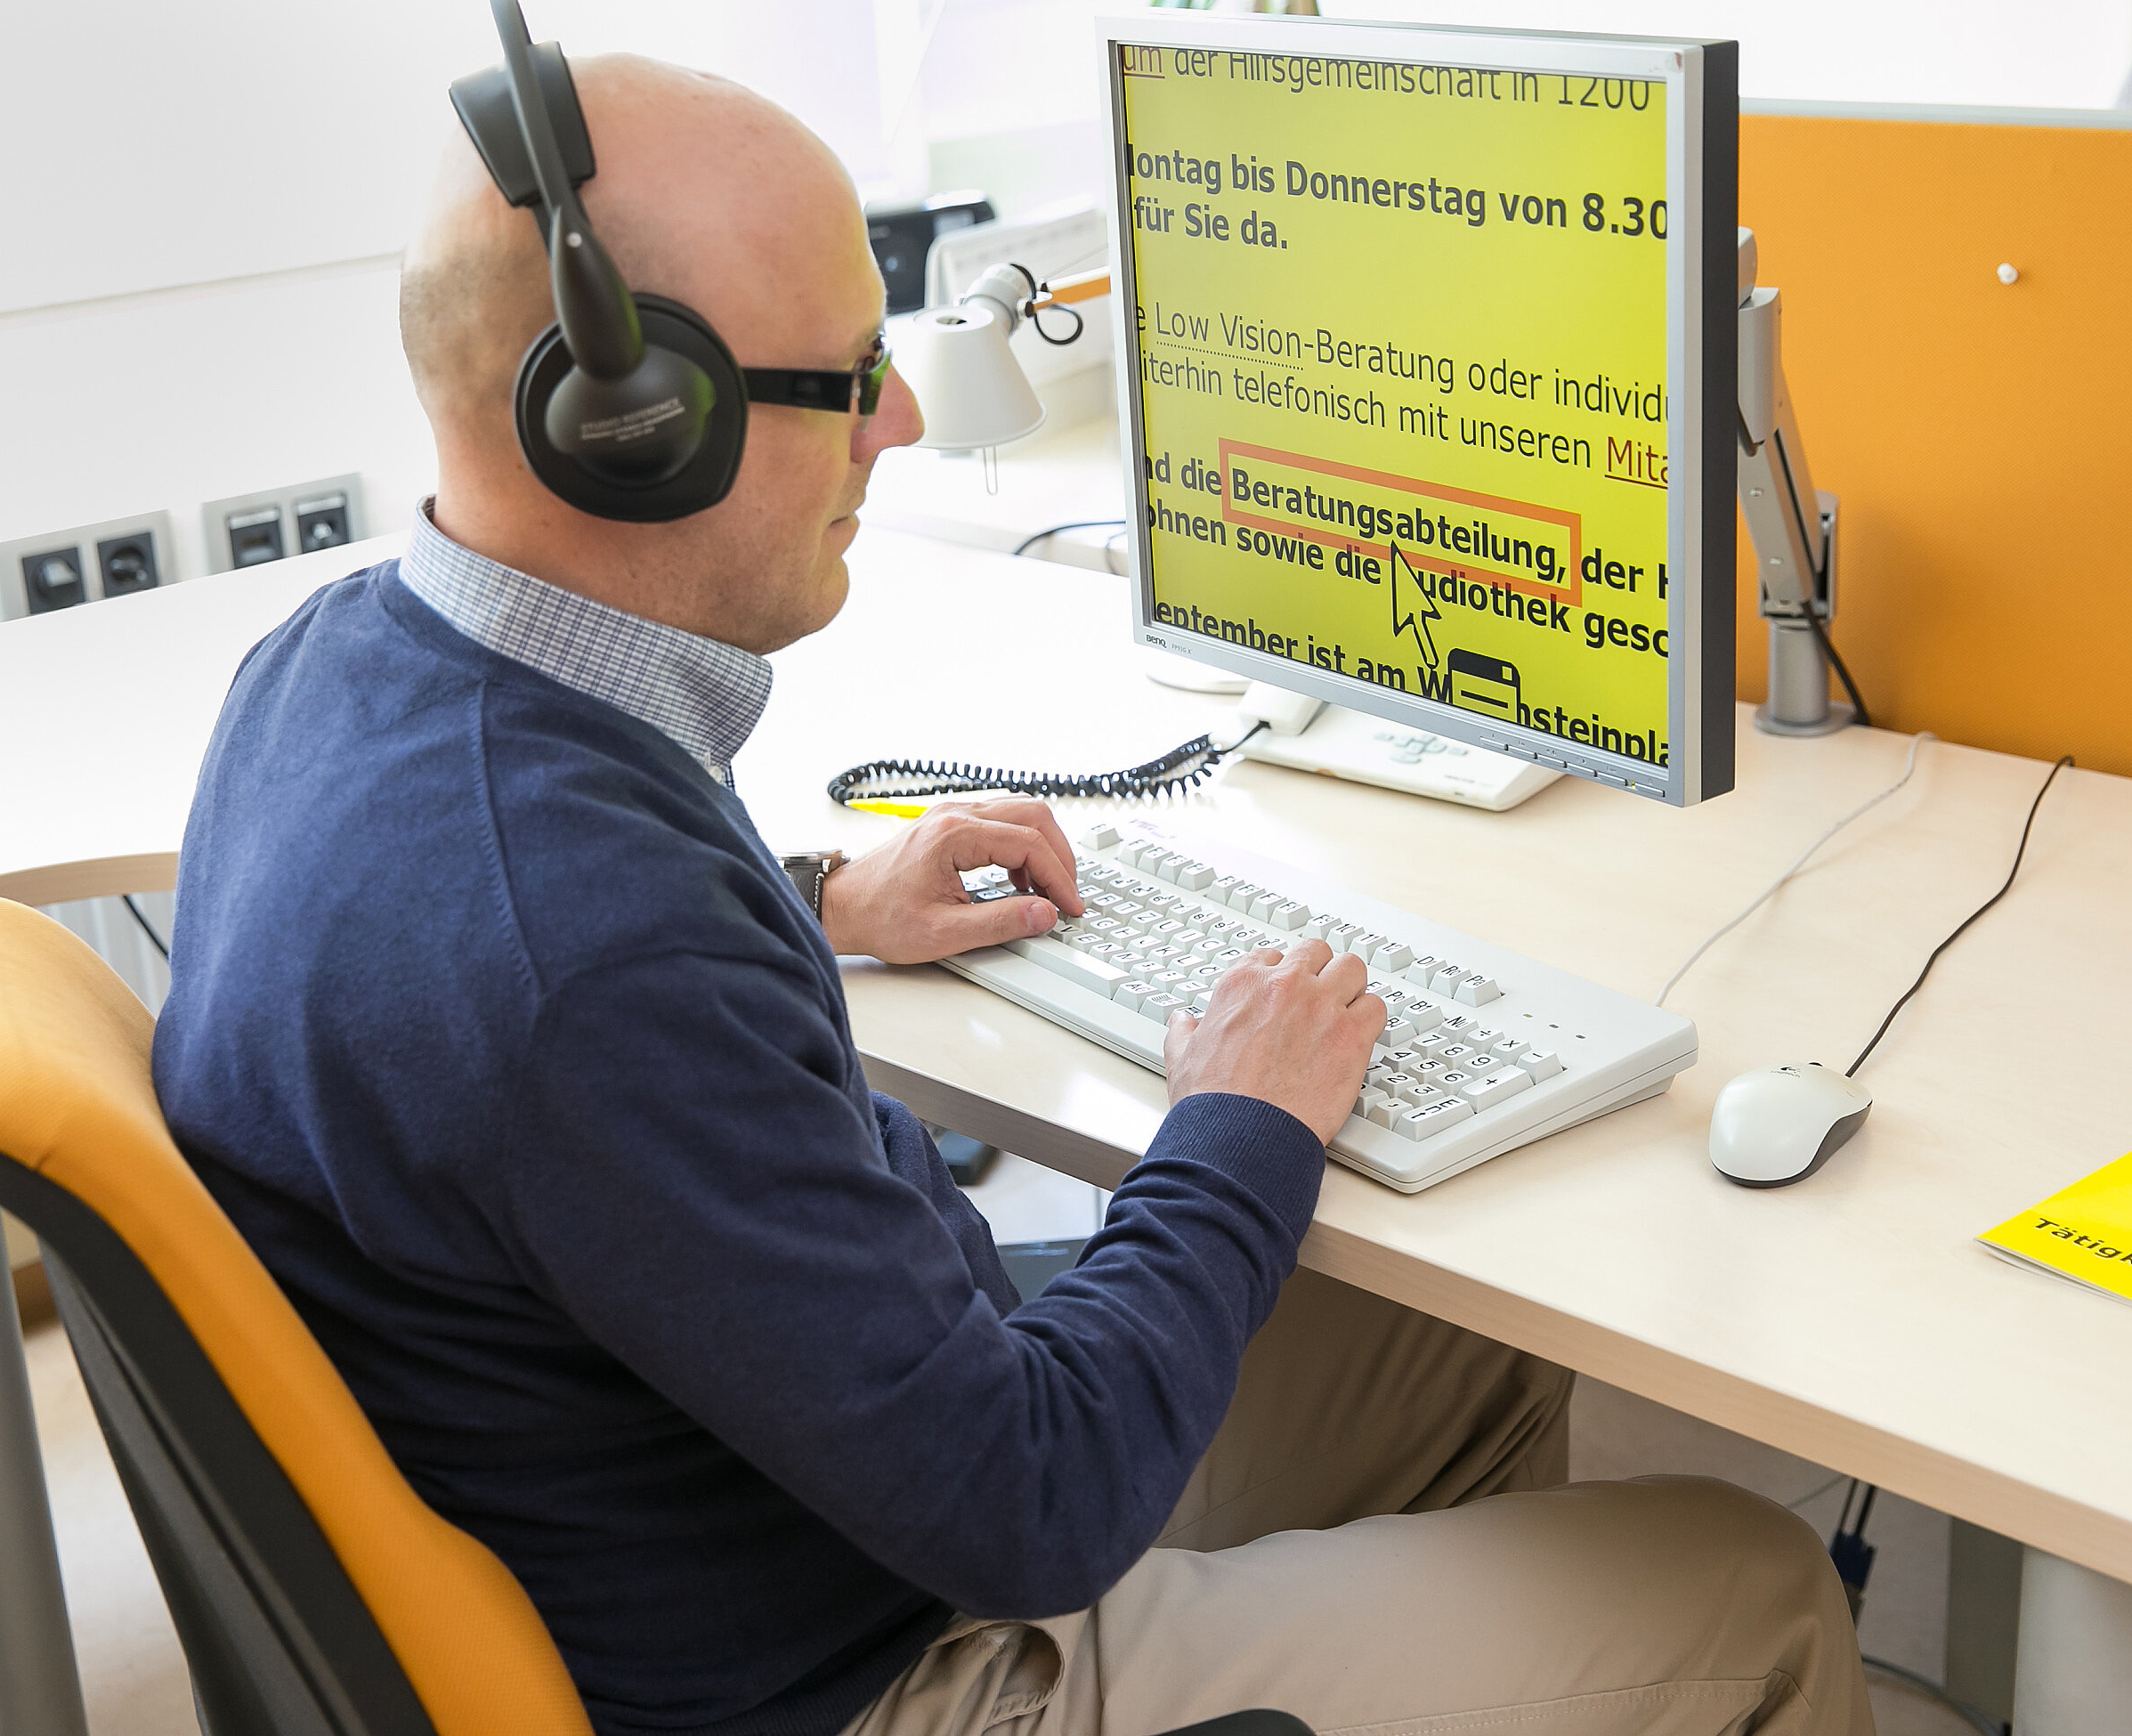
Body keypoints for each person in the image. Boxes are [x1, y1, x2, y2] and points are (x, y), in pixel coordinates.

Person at [153, 50, 1874, 1736]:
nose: (899, 420)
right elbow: (1029, 1503)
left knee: (1458, 1344)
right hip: (871, 1654)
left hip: (747, 1496)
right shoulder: (598, 961)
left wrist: (814, 895)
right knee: (1750, 1584)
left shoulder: (339, 675)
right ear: (630, 433)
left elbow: (520, 985)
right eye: (846, 379)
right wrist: (1237, 1119)